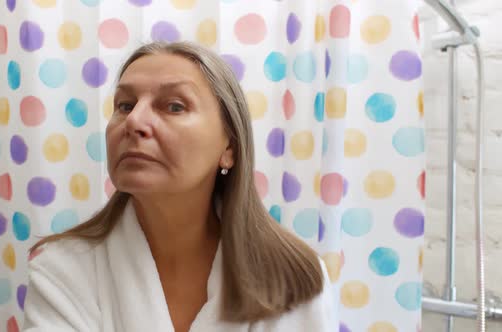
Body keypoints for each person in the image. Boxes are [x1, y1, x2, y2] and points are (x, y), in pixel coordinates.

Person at [22, 41, 338, 332]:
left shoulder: (293, 278)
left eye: (174, 106)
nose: (134, 121)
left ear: (229, 147)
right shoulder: (62, 268)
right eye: (125, 105)